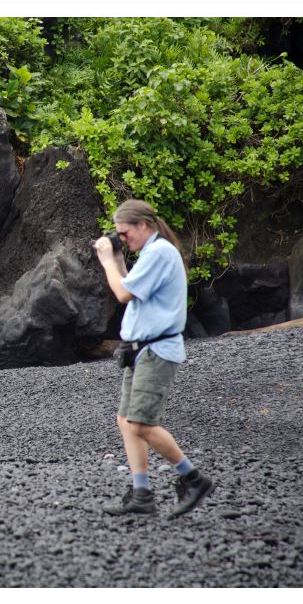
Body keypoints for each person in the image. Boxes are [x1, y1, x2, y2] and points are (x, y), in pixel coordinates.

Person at [92, 199, 214, 517]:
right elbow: (130, 286)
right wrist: (118, 257)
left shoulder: (160, 253)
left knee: (142, 423)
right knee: (126, 421)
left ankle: (193, 478)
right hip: (140, 349)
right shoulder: (151, 253)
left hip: (157, 350)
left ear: (143, 226)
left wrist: (107, 260)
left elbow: (121, 293)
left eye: (125, 233)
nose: (123, 238)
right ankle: (142, 494)